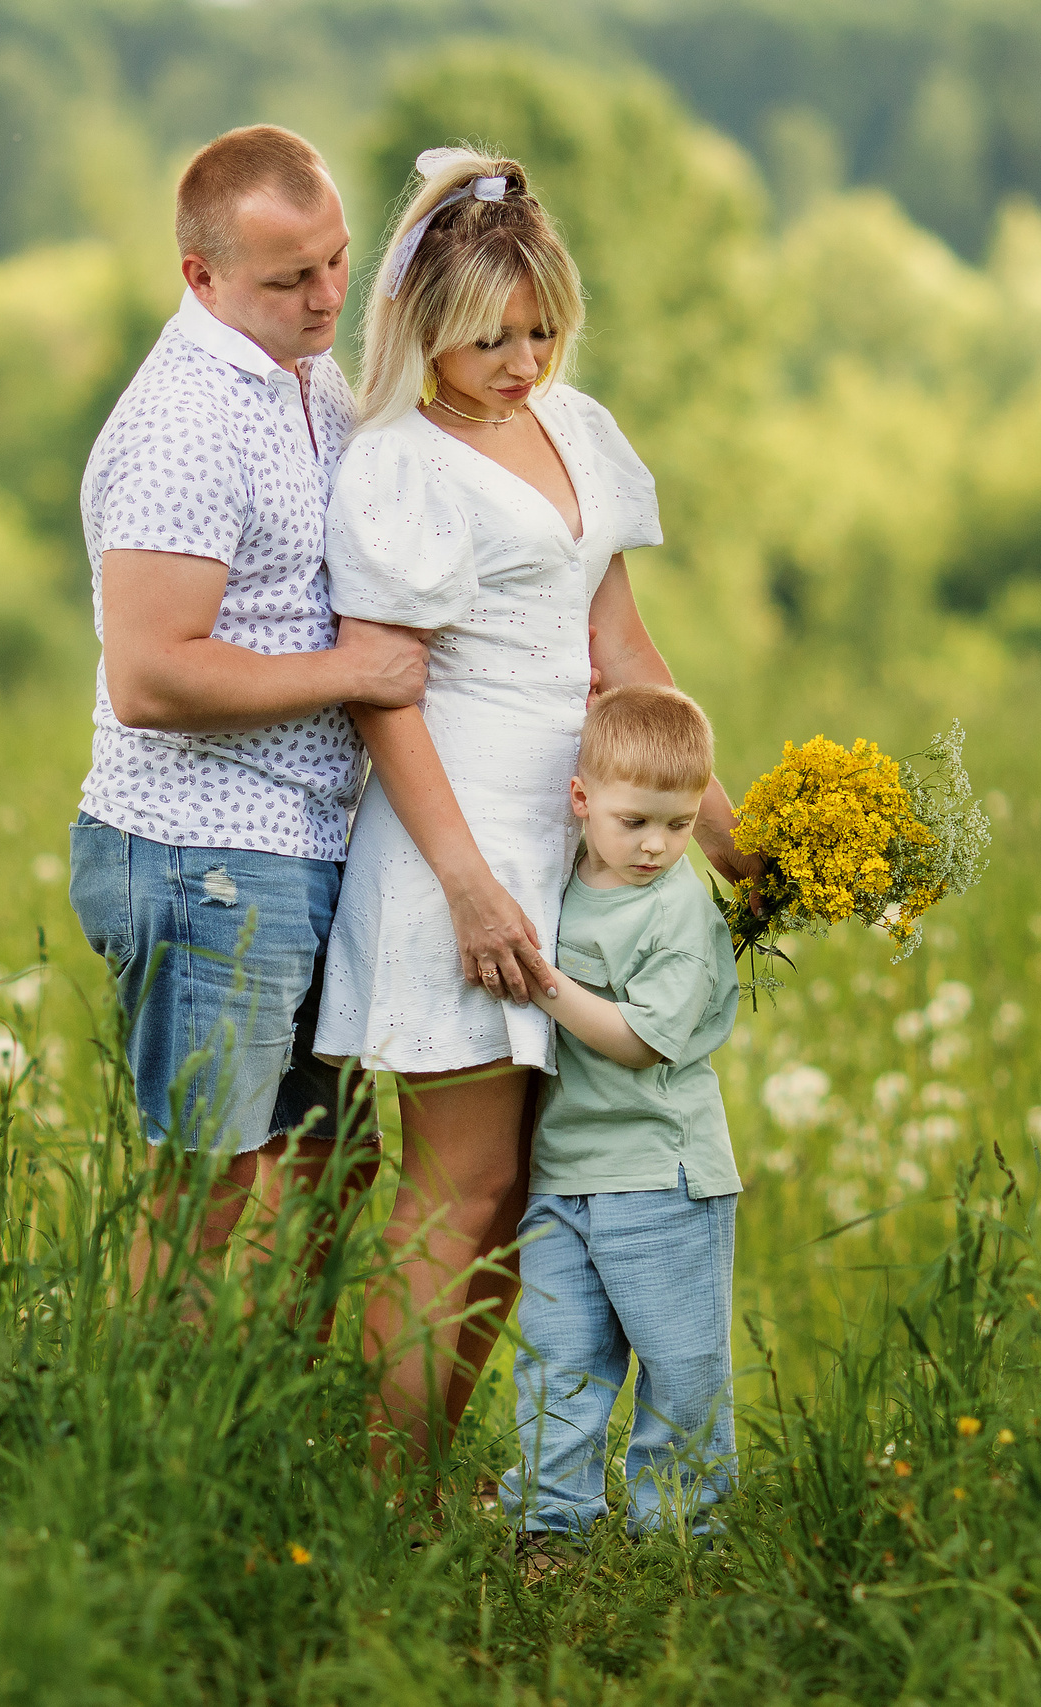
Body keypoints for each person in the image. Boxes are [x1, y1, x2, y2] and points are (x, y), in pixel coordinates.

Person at [315, 147, 766, 1465]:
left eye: (542, 328)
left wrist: (739, 841)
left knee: (516, 1196)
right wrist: (467, 884)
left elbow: (623, 653)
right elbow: (384, 696)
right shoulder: (397, 463)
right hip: (453, 843)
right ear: (425, 327)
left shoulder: (575, 429)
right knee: (451, 1189)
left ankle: (430, 1468)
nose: (521, 359)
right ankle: (387, 1490)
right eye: (489, 337)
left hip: (568, 853)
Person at [67, 125, 428, 1296]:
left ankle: (286, 1432)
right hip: (202, 853)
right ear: (200, 278)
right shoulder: (188, 421)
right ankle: (152, 1457)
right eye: (288, 279)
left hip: (303, 842)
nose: (327, 297)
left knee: (339, 1161)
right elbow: (151, 676)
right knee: (210, 1192)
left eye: (333, 261)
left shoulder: (302, 376)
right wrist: (357, 674)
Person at [499, 685, 743, 1568]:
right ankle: (549, 1522)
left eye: (678, 826)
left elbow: (641, 1042)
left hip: (662, 1173)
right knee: (559, 1355)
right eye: (636, 819)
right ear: (581, 800)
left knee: (679, 1367)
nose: (655, 845)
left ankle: (680, 1530)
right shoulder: (560, 876)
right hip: (564, 1173)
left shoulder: (677, 909)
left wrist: (542, 981)